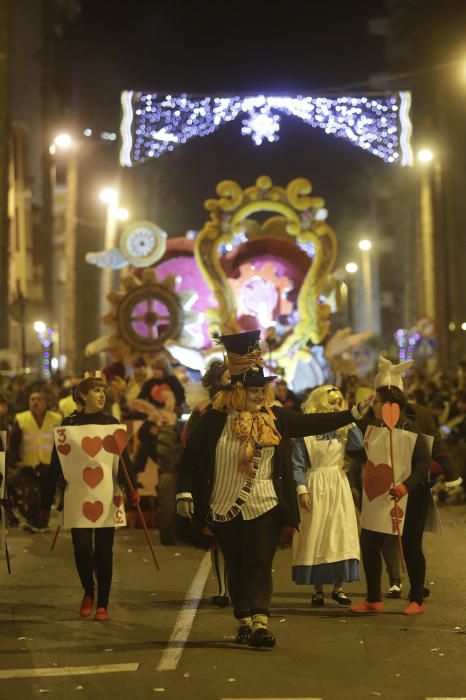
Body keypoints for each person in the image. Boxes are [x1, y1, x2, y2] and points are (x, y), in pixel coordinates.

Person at [176, 330, 372, 649]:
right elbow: (190, 460)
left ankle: (260, 622)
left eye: (262, 388)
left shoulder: (275, 418)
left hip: (265, 504)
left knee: (259, 563)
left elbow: (311, 423)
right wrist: (184, 493)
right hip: (224, 506)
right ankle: (244, 619)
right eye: (253, 388)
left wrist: (351, 415)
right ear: (237, 389)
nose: (259, 393)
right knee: (237, 565)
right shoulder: (213, 421)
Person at [45, 373, 140, 621]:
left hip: (107, 494)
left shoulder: (111, 422)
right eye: (96, 390)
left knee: (104, 551)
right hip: (77, 496)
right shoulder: (69, 425)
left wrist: (132, 489)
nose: (101, 395)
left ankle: (103, 603)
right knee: (83, 549)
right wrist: (50, 494)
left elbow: (123, 461)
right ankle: (89, 590)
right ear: (83, 395)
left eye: (103, 390)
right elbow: (57, 462)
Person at [349, 357, 432, 616]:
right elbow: (360, 455)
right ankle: (373, 597)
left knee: (410, 546)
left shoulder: (411, 429)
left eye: (378, 401)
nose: (374, 405)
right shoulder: (371, 428)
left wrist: (406, 486)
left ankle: (416, 597)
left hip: (410, 498)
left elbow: (422, 464)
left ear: (390, 405)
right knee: (369, 545)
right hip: (377, 497)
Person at [292, 385, 363, 606]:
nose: (335, 407)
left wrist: (349, 420)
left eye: (338, 403)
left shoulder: (343, 431)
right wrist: (302, 490)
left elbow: (359, 445)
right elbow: (297, 464)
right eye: (331, 402)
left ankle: (339, 588)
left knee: (339, 532)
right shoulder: (307, 433)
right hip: (315, 486)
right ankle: (318, 589)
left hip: (338, 484)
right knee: (316, 534)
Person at [9, 390, 62, 530]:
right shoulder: (21, 418)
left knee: (47, 495)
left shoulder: (56, 418)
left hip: (48, 465)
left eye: (39, 399)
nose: (35, 402)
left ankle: (42, 521)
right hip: (28, 464)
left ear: (45, 402)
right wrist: (15, 460)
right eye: (32, 399)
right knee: (30, 494)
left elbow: (61, 443)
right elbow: (14, 442)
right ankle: (33, 520)